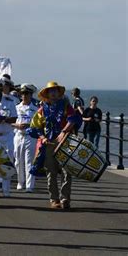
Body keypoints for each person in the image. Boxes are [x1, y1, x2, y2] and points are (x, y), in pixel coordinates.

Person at [29, 81, 80, 209]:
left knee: (66, 172)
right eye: (50, 91)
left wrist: (64, 132)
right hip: (49, 144)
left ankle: (65, 199)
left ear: (59, 93)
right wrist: (42, 137)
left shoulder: (66, 106)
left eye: (55, 91)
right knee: (50, 172)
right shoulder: (42, 110)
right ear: (46, 94)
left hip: (65, 143)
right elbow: (35, 126)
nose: (53, 93)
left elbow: (72, 120)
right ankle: (54, 199)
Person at [12, 84, 38, 192]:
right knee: (18, 161)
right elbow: (9, 121)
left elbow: (38, 124)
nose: (24, 96)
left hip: (30, 137)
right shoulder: (16, 107)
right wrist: (16, 125)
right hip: (18, 135)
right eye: (22, 93)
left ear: (31, 95)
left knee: (29, 161)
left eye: (27, 93)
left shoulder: (35, 109)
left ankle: (29, 185)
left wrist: (28, 126)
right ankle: (20, 182)